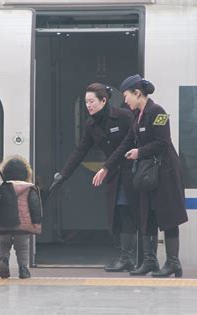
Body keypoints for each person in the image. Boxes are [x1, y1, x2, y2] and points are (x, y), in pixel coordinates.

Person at [96, 75, 188, 278]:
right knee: (150, 216)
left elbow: (163, 142)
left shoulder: (157, 112)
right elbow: (124, 145)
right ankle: (150, 262)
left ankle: (173, 263)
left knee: (168, 217)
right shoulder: (138, 117)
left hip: (165, 174)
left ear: (137, 93)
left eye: (127, 96)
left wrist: (140, 152)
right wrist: (106, 168)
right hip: (148, 176)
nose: (125, 100)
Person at [50, 83, 139, 272]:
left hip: (132, 171)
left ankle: (128, 257)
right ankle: (125, 256)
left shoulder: (123, 116)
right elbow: (80, 150)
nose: (88, 106)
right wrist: (63, 175)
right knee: (116, 214)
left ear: (103, 100)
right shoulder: (91, 124)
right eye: (85, 102)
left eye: (91, 101)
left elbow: (134, 140)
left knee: (127, 213)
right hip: (114, 174)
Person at [0, 156, 42, 279]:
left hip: (3, 224)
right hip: (22, 225)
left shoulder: (0, 187)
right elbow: (35, 206)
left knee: (4, 244)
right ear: (26, 173)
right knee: (22, 247)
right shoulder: (29, 188)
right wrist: (36, 222)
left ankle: (4, 264)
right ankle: (23, 269)